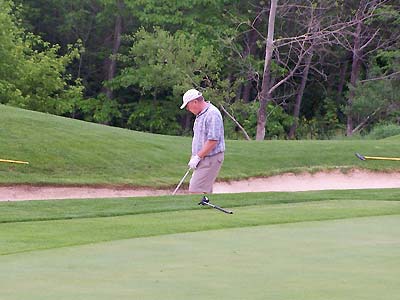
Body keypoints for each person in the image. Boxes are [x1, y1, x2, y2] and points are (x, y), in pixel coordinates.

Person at [180, 88, 225, 194]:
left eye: (188, 106)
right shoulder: (201, 115)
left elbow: (213, 140)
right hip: (203, 157)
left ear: (195, 102)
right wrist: (195, 155)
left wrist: (198, 156)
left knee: (196, 190)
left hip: (211, 158)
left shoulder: (212, 114)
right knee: (204, 191)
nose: (187, 109)